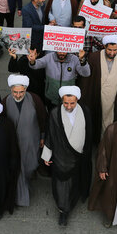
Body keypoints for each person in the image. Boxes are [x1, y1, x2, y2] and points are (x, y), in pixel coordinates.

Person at [42, 86, 93, 226]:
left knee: (77, 181)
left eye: (72, 103)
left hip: (79, 156)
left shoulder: (85, 111)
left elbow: (89, 134)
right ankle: (63, 211)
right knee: (62, 186)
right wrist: (47, 155)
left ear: (77, 100)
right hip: (61, 157)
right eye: (65, 103)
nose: (69, 106)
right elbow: (50, 134)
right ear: (61, 101)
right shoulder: (54, 113)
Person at [1, 74, 47, 207]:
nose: (18, 95)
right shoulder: (5, 102)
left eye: (21, 92)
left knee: (31, 164)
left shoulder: (35, 100)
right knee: (18, 169)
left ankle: (28, 176)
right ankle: (21, 195)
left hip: (32, 141)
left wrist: (43, 136)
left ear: (26, 90)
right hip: (14, 143)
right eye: (15, 92)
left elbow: (42, 118)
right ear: (11, 90)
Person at [83, 35, 117, 140]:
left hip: (116, 96)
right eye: (109, 50)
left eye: (115, 50)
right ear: (104, 47)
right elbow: (88, 79)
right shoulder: (94, 57)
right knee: (98, 119)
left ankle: (110, 140)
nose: (112, 53)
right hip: (99, 96)